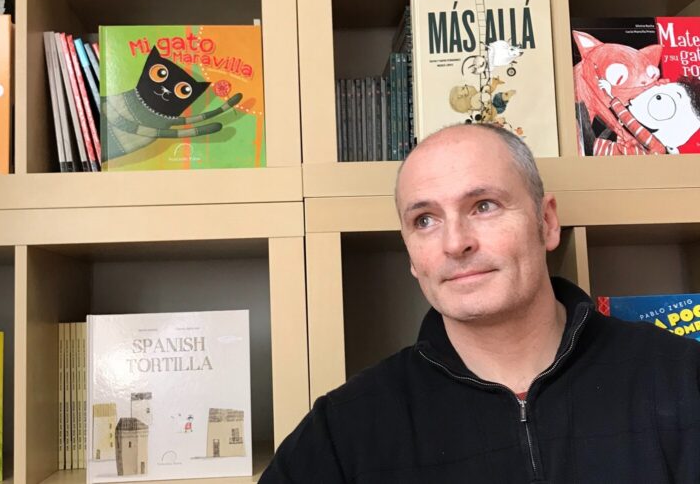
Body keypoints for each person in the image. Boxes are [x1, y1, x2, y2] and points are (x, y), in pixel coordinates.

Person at [259, 124, 700, 483]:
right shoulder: (343, 429)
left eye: (484, 205)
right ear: (411, 255)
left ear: (546, 223)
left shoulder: (682, 377)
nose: (455, 244)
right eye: (425, 220)